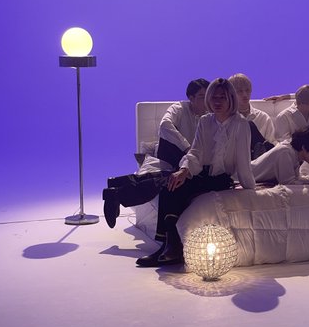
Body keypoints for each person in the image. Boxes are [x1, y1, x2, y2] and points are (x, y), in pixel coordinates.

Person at [136, 78, 256, 267]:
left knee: (177, 191)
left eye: (222, 97)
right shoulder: (205, 121)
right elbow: (196, 152)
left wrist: (251, 189)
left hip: (221, 179)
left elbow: (243, 161)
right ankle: (169, 246)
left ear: (230, 99)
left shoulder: (241, 124)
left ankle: (171, 249)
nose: (217, 102)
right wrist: (184, 171)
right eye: (214, 97)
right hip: (201, 174)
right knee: (170, 186)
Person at [102, 79, 209, 228]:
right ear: (191, 98)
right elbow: (164, 125)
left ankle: (117, 190)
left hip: (187, 160)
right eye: (202, 97)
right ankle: (117, 189)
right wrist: (187, 147)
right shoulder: (179, 108)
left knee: (170, 179)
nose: (206, 101)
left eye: (208, 96)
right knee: (171, 139)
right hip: (172, 153)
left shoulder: (210, 115)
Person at [228, 73, 276, 158]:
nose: (245, 94)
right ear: (230, 94)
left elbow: (272, 144)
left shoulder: (263, 117)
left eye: (247, 90)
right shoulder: (226, 118)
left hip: (261, 161)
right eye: (239, 91)